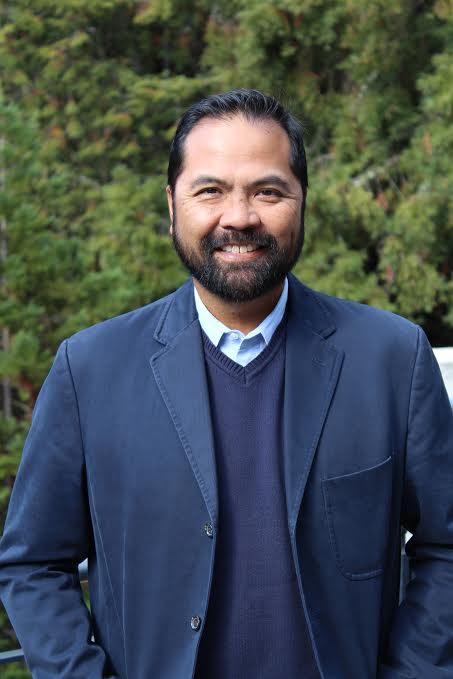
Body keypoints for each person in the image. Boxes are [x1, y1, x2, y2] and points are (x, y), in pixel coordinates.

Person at [0, 88, 452, 679]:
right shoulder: (90, 369)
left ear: (302, 201)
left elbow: (446, 548)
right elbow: (33, 565)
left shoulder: (392, 359)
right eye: (209, 190)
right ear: (172, 204)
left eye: (268, 191)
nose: (239, 216)